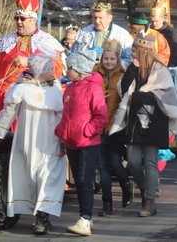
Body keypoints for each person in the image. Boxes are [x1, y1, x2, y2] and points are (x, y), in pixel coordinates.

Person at [0, 54, 67, 235]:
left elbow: (62, 116)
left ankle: (42, 218)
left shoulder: (54, 87)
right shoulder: (21, 88)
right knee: (31, 176)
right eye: (48, 69)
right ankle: (38, 215)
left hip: (51, 141)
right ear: (39, 72)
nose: (52, 71)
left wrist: (63, 141)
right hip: (28, 139)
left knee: (49, 176)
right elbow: (8, 112)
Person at [109, 33, 177, 218]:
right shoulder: (132, 68)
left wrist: (137, 96)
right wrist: (132, 71)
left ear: (143, 51)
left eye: (134, 50)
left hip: (154, 122)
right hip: (134, 122)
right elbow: (124, 89)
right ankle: (143, 189)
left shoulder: (160, 71)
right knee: (133, 161)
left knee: (150, 161)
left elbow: (161, 97)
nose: (132, 53)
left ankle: (149, 201)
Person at [55, 49, 108, 236]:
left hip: (87, 143)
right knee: (79, 180)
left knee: (85, 180)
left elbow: (101, 116)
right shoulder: (70, 87)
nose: (67, 71)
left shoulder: (93, 88)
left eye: (70, 67)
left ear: (79, 69)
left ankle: (85, 218)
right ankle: (86, 218)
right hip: (71, 142)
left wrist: (87, 131)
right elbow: (67, 115)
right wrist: (61, 131)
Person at [0, 0, 65, 93]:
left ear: (33, 20)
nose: (19, 22)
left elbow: (56, 72)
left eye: (23, 18)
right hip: (2, 97)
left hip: (32, 98)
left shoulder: (48, 42)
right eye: (17, 18)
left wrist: (30, 62)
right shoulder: (6, 41)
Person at [95, 39, 133, 217]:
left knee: (114, 163)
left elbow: (127, 97)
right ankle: (107, 203)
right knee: (103, 166)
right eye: (106, 58)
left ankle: (126, 185)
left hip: (115, 127)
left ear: (117, 59)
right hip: (98, 126)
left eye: (112, 59)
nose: (108, 62)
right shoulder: (96, 75)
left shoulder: (123, 75)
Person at [72, 2, 133, 67]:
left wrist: (114, 66)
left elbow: (128, 59)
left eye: (100, 18)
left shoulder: (123, 34)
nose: (97, 21)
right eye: (95, 18)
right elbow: (73, 54)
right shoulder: (84, 32)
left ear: (110, 18)